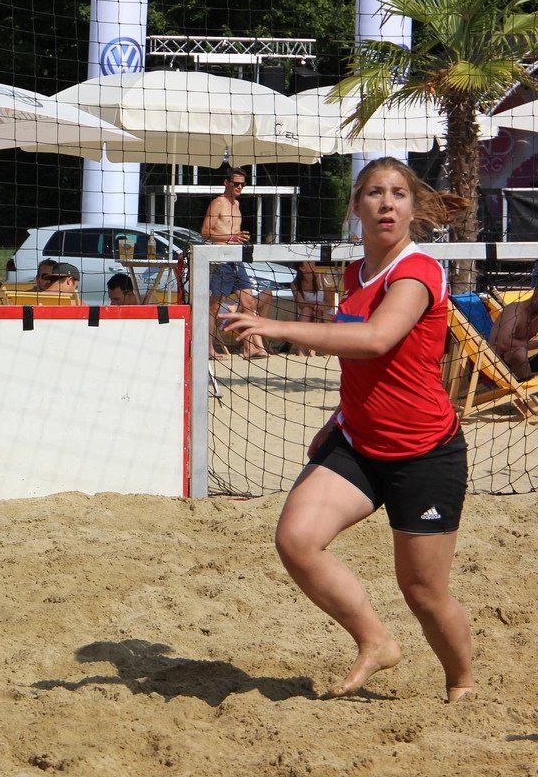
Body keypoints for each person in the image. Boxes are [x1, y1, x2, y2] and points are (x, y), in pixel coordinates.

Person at [221, 156, 474, 703]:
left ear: (413, 208)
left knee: (423, 592)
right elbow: (364, 370)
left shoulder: (418, 271)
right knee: (296, 540)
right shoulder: (355, 273)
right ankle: (375, 641)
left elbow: (376, 341)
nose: (387, 203)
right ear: (356, 206)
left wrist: (275, 324)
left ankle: (461, 684)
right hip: (358, 443)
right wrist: (338, 419)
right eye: (375, 193)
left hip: (424, 452)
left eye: (399, 194)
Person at [202, 167, 267, 359]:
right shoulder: (218, 203)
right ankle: (208, 348)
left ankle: (249, 347)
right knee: (214, 307)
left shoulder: (237, 204)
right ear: (226, 183)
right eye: (236, 184)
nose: (240, 187)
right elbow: (205, 233)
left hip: (236, 260)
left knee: (249, 302)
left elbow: (232, 234)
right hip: (220, 260)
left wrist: (239, 237)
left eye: (243, 184)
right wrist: (231, 237)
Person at [290, 261, 335, 356]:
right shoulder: (295, 284)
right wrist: (314, 305)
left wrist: (317, 306)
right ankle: (301, 349)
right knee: (307, 310)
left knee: (316, 311)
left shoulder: (322, 277)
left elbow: (330, 303)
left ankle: (311, 350)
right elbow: (300, 304)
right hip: (307, 315)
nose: (313, 262)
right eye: (309, 262)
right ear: (302, 268)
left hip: (325, 315)